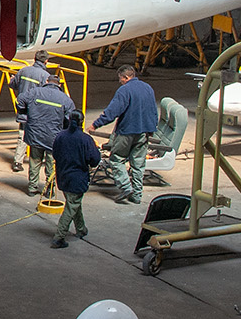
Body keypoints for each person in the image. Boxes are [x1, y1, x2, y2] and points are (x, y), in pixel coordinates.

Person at [91, 64, 157, 203]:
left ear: (126, 77)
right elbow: (153, 110)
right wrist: (151, 130)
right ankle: (137, 195)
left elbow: (113, 111)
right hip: (144, 132)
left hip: (127, 132)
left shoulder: (124, 90)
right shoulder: (148, 88)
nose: (120, 81)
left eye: (120, 79)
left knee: (117, 159)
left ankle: (126, 187)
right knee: (138, 164)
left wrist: (96, 124)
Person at [16, 71, 78, 198]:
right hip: (53, 138)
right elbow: (71, 119)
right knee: (51, 164)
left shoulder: (35, 92)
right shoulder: (65, 99)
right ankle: (49, 190)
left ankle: (32, 188)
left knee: (35, 161)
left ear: (46, 82)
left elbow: (19, 100)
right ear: (59, 85)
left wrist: (24, 114)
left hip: (35, 134)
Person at [48, 112, 103, 248]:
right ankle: (59, 237)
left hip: (63, 177)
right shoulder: (85, 139)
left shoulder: (60, 136)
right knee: (71, 205)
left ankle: (81, 229)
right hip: (77, 178)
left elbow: (54, 153)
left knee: (73, 202)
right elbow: (95, 160)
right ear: (82, 122)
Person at [7, 51, 52, 172]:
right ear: (46, 61)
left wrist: (12, 80)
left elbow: (13, 84)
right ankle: (36, 160)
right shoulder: (45, 76)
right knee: (38, 136)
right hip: (37, 112)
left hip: (23, 110)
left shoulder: (23, 70)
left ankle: (17, 162)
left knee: (22, 135)